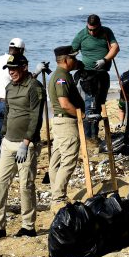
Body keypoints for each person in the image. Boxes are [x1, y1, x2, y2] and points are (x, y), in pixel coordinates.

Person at [0, 54, 44, 240]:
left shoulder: (34, 87)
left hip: (26, 145)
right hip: (8, 143)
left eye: (15, 68)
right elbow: (7, 113)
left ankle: (28, 226)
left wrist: (26, 142)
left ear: (24, 66)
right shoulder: (9, 87)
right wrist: (4, 134)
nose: (11, 71)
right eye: (9, 68)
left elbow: (36, 117)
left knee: (26, 185)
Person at [71, 14, 120, 146]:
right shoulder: (82, 34)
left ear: (99, 25)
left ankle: (95, 135)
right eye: (90, 29)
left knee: (99, 104)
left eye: (94, 29)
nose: (92, 32)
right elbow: (72, 51)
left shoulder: (106, 32)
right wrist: (76, 65)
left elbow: (115, 47)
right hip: (88, 75)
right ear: (87, 25)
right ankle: (88, 137)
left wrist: (105, 60)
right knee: (89, 105)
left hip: (103, 74)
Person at [46, 45, 84, 211]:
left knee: (56, 160)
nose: (75, 61)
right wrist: (80, 115)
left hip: (59, 121)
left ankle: (56, 194)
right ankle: (58, 197)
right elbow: (64, 103)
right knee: (68, 159)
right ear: (66, 60)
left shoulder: (58, 75)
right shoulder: (61, 77)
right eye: (73, 58)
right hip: (66, 122)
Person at [0, 37, 26, 176]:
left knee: (0, 137)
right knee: (13, 137)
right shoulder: (16, 62)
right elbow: (23, 82)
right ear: (20, 50)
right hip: (11, 104)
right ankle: (11, 168)